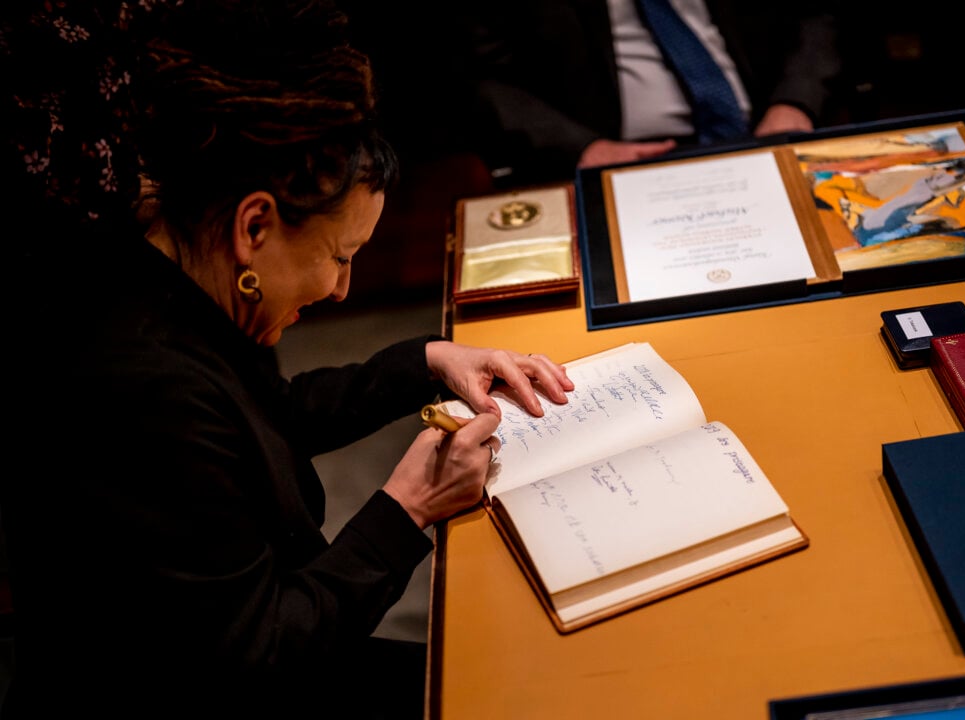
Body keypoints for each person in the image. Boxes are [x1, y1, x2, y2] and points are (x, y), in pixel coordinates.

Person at [3, 0, 574, 716]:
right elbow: (257, 654)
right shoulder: (142, 386)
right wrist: (410, 506)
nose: (342, 289)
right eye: (339, 257)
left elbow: (265, 417)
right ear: (255, 225)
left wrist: (429, 359)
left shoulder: (174, 269)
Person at [456, 0, 845, 187]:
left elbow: (815, 14)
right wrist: (581, 147)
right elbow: (477, 78)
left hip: (766, 133)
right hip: (613, 161)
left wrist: (794, 101)